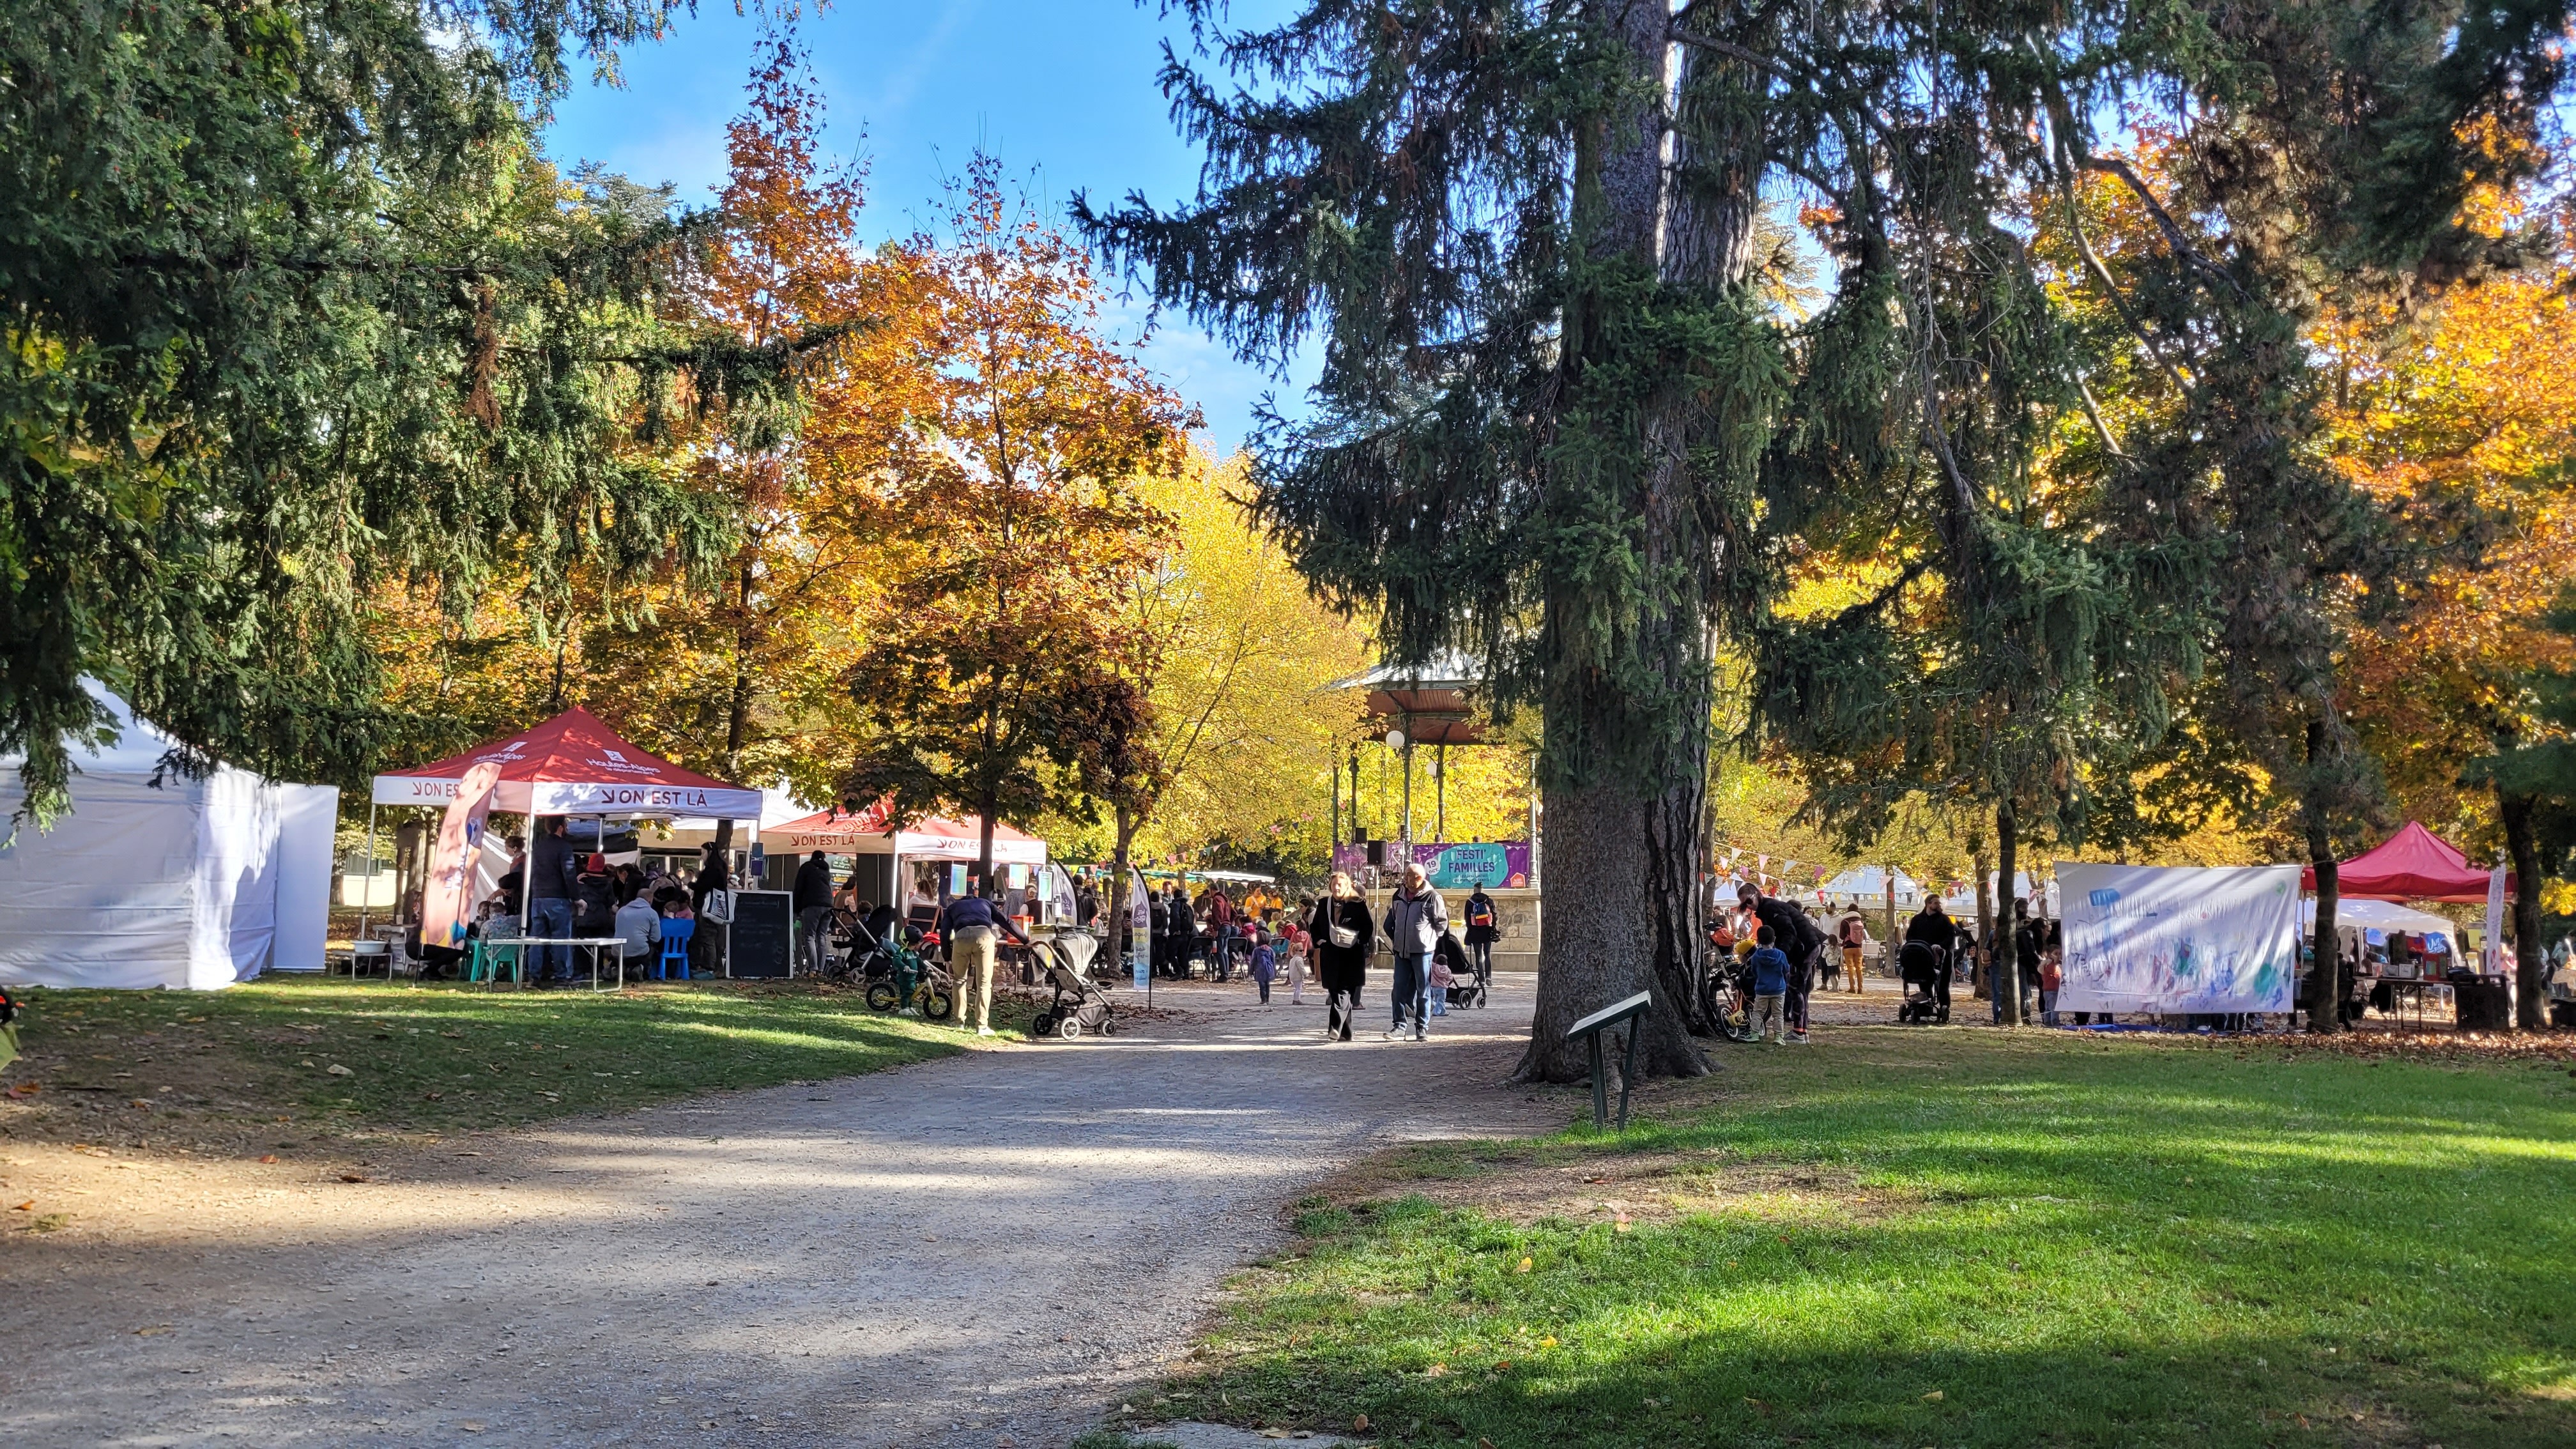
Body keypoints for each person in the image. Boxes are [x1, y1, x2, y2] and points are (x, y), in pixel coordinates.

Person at [937, 883, 1028, 1037]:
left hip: (962, 937)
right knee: (984, 983)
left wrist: (947, 956)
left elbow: (945, 932)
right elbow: (1007, 922)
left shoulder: (954, 907)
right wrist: (1025, 940)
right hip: (984, 937)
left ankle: (959, 1022)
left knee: (959, 980)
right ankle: (982, 1026)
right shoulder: (986, 903)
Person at [1738, 882, 1824, 1043]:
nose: (1748, 906)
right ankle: (1801, 1031)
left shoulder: (1771, 908)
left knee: (1797, 988)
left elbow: (1789, 931)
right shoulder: (1766, 910)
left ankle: (1799, 1033)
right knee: (1800, 989)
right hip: (1807, 945)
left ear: (1757, 894)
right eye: (1745, 904)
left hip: (1806, 946)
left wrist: (1780, 955)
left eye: (1749, 901)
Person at [1381, 862, 1448, 1041]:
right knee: (1398, 989)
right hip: (1401, 952)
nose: (1410, 880)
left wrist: (1429, 940)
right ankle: (1399, 1026)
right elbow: (1390, 922)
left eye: (1414, 877)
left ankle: (1422, 1027)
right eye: (1408, 876)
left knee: (1423, 989)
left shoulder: (1433, 897)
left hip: (1423, 952)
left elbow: (1441, 924)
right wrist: (1397, 940)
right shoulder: (1398, 895)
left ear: (1422, 878)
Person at [1309, 873, 1374, 1042]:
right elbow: (1315, 926)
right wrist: (1320, 942)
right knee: (1335, 990)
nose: (1337, 887)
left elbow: (1368, 926)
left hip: (1351, 956)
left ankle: (1335, 1029)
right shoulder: (1324, 904)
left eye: (1340, 884)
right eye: (1334, 884)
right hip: (1330, 955)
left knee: (1344, 992)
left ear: (1347, 886)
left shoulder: (1357, 904)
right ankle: (1347, 1033)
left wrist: (1360, 941)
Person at [526, 816, 579, 985]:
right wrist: (576, 897)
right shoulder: (564, 847)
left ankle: (534, 976)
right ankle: (561, 976)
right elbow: (569, 873)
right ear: (561, 827)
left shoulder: (538, 847)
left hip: (538, 897)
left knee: (537, 939)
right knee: (560, 939)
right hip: (558, 899)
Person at [1903, 899, 1957, 1023]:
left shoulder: (1944, 920)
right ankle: (1925, 1010)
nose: (1939, 905)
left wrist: (1940, 946)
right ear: (1929, 904)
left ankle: (1945, 1010)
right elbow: (1910, 936)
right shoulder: (1918, 920)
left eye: (1939, 903)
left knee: (1943, 986)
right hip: (1922, 957)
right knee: (1925, 985)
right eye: (1936, 903)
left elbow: (1950, 937)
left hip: (1942, 956)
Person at [793, 850, 836, 976]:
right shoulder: (826, 871)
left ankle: (813, 969)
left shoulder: (806, 868)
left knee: (809, 936)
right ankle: (821, 970)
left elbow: (799, 888)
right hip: (828, 906)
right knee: (822, 936)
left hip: (812, 904)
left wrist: (796, 909)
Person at [1747, 926, 1792, 1043]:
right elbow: (1786, 970)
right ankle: (1778, 1037)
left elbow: (1754, 971)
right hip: (1778, 989)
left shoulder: (1756, 956)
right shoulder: (1781, 955)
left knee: (1757, 1013)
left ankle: (1754, 1034)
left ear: (1758, 941)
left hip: (1762, 989)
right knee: (1778, 1014)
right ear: (1774, 939)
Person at [615, 881, 661, 976]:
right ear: (650, 900)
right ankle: (641, 967)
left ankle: (618, 968)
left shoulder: (622, 910)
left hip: (617, 951)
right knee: (652, 946)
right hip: (639, 952)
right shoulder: (651, 913)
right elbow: (656, 938)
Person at [1463, 884, 1499, 984]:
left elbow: (1467, 919)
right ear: (1482, 890)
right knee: (1487, 954)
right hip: (1487, 931)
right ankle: (1489, 978)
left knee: (1479, 956)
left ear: (1474, 890)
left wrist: (1470, 930)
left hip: (1475, 932)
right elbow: (1495, 916)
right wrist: (1493, 928)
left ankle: (1481, 979)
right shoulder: (1488, 900)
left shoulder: (1470, 902)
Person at [1281, 913, 1312, 1004]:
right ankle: (1297, 1000)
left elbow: (1291, 943)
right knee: (1300, 967)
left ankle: (1289, 979)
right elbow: (1309, 944)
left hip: (1294, 952)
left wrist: (1289, 953)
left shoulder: (1295, 934)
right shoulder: (1306, 934)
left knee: (1293, 966)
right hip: (1303, 952)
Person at [1837, 908, 1868, 995]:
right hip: (1859, 947)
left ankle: (1852, 988)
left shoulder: (1844, 921)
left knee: (1850, 968)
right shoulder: (1860, 921)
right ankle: (1860, 988)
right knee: (1859, 968)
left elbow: (1842, 936)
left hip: (1848, 947)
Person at [1250, 931, 1277, 1004]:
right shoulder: (1270, 950)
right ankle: (1267, 999)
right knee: (1267, 985)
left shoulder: (1256, 950)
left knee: (1262, 986)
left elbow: (1253, 962)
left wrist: (1251, 972)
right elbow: (1273, 961)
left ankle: (1263, 999)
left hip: (1260, 970)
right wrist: (1275, 971)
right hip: (1269, 969)